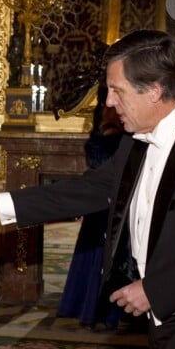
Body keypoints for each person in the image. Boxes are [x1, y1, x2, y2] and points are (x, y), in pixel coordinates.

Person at [0, 30, 175, 349]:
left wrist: (156, 289)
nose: (109, 102)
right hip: (164, 321)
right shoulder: (135, 142)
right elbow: (90, 189)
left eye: (117, 90)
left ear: (154, 91)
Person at [56, 82, 125, 330]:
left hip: (119, 200)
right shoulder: (105, 113)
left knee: (114, 256)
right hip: (102, 194)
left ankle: (114, 314)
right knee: (95, 255)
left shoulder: (128, 115)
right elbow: (96, 152)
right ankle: (92, 310)